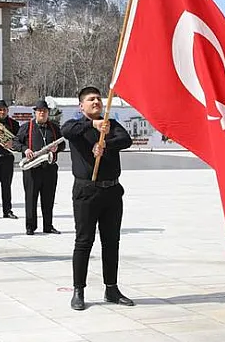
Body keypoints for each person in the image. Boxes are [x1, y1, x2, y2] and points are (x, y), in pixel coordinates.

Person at [61, 86, 135, 311]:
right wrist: (92, 126)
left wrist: (105, 143)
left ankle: (111, 288)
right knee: (84, 241)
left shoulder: (110, 124)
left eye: (98, 99)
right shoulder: (77, 126)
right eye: (91, 100)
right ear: (81, 105)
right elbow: (67, 131)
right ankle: (78, 290)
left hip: (111, 191)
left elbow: (126, 140)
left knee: (111, 242)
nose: (96, 102)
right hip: (87, 192)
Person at [15, 99, 62, 236]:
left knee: (49, 198)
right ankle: (30, 226)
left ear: (48, 113)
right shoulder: (26, 127)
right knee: (31, 198)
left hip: (49, 168)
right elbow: (16, 142)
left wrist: (57, 148)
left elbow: (62, 144)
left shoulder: (54, 127)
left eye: (45, 111)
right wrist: (25, 149)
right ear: (35, 112)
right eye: (40, 111)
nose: (42, 113)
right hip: (32, 168)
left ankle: (48, 225)